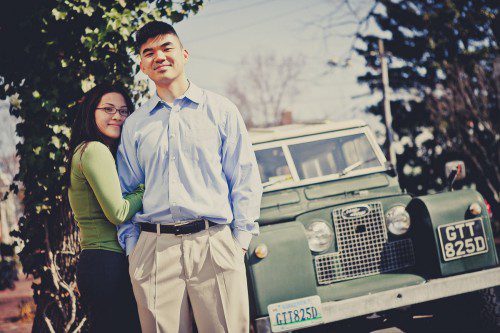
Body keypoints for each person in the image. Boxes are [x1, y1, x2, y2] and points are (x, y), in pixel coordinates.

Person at [117, 21, 263, 333]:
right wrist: (134, 249)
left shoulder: (221, 110)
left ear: (184, 54)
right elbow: (124, 191)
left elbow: (245, 178)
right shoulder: (135, 125)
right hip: (154, 251)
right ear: (142, 66)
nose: (159, 56)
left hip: (215, 244)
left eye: (166, 48)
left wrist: (238, 242)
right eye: (148, 52)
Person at [66, 83, 142, 332]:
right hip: (106, 264)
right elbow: (118, 212)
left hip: (100, 262)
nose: (117, 116)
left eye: (123, 111)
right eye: (108, 109)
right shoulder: (95, 150)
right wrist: (144, 189)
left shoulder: (87, 150)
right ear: (91, 112)